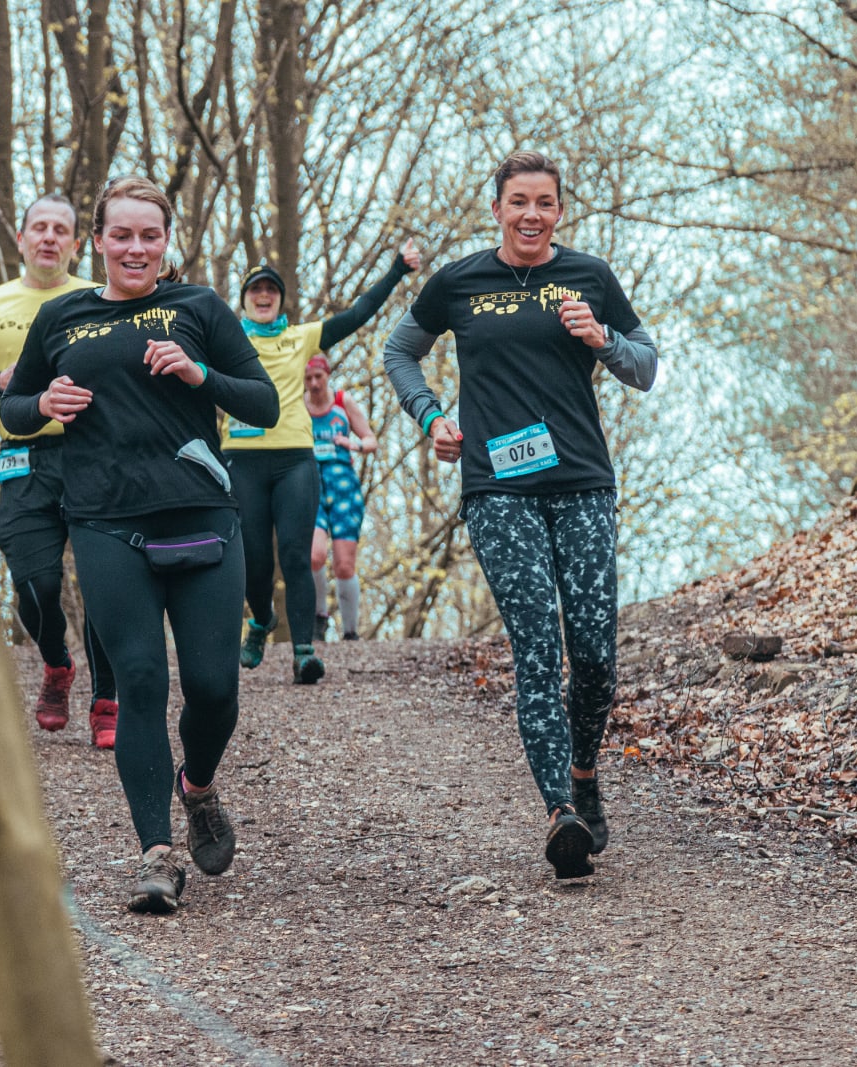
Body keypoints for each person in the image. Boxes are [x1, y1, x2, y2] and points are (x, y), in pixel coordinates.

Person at [0, 177, 279, 914]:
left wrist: (198, 373)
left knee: (216, 686)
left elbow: (262, 400)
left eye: (148, 236)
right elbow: (14, 403)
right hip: (104, 522)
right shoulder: (63, 316)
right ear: (98, 241)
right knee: (141, 682)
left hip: (202, 515)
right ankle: (156, 852)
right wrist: (43, 405)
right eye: (120, 235)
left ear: (166, 242)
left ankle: (199, 784)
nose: (134, 248)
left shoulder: (199, 309)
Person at [382, 151, 659, 880]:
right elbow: (400, 351)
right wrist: (431, 415)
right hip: (497, 491)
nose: (530, 215)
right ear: (497, 208)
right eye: (518, 202)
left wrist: (603, 338)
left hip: (583, 485)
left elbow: (646, 366)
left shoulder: (590, 277)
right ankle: (558, 813)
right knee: (537, 645)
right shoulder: (460, 282)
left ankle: (584, 770)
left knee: (595, 655)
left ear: (560, 212)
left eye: (544, 202)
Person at [0, 194, 120, 748]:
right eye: (38, 228)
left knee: (104, 583)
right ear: (21, 239)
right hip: (23, 456)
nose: (49, 237)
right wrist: (8, 381)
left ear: (76, 244)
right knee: (35, 583)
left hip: (94, 453)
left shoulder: (97, 299)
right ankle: (56, 664)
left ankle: (107, 699)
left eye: (61, 230)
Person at [229, 237, 421, 683]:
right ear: (244, 299)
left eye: (271, 291)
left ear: (279, 301)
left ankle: (303, 652)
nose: (263, 296)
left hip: (295, 457)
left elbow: (356, 316)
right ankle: (260, 620)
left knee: (297, 554)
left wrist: (396, 270)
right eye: (255, 290)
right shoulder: (228, 336)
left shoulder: (301, 338)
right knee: (254, 558)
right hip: (242, 456)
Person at [304, 354, 377, 641]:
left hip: (344, 485)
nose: (314, 383)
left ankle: (350, 632)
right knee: (314, 555)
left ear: (327, 375)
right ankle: (319, 617)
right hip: (311, 485)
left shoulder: (342, 402)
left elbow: (372, 440)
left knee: (344, 563)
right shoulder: (299, 406)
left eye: (318, 377)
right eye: (308, 378)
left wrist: (354, 444)